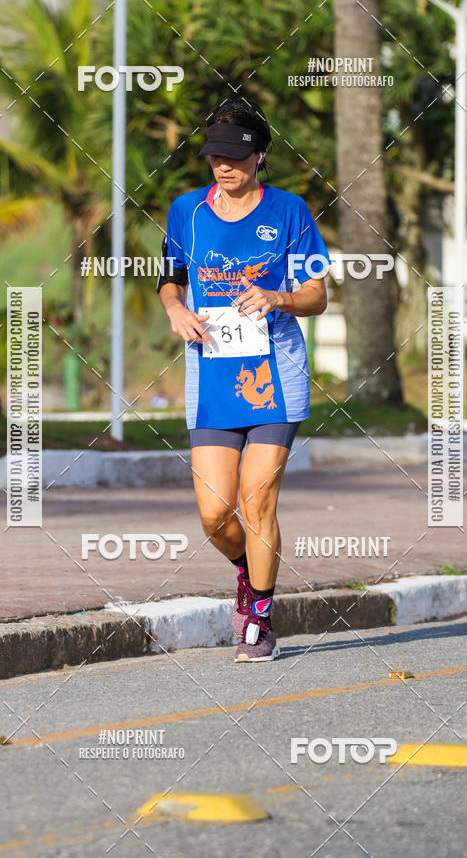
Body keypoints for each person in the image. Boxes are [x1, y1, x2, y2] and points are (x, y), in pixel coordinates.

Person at [157, 98, 328, 662]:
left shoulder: (289, 212)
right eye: (214, 158)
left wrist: (278, 296)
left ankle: (259, 617)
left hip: (274, 373)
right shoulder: (187, 210)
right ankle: (248, 576)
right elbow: (170, 279)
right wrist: (175, 310)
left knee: (257, 504)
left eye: (235, 157)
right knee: (214, 513)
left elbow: (317, 295)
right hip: (210, 374)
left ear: (260, 156)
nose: (223, 167)